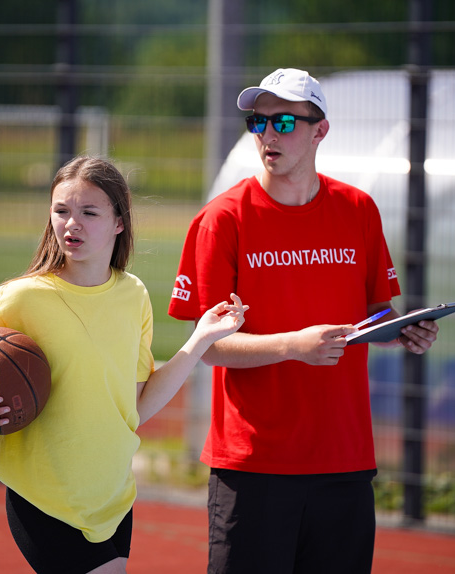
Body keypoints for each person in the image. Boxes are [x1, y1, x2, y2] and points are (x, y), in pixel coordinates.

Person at [168, 68, 440, 573]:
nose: (269, 134)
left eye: (285, 121)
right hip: (254, 465)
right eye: (258, 121)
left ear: (320, 130)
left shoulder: (358, 209)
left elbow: (374, 313)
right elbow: (206, 346)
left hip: (345, 461)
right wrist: (294, 344)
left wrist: (402, 330)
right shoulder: (222, 219)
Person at [0, 156, 248, 574]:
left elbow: (136, 407)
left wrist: (200, 339)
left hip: (112, 498)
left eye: (88, 213)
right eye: (61, 211)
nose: (71, 224)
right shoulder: (21, 298)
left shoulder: (134, 296)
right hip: (45, 497)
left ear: (119, 222)